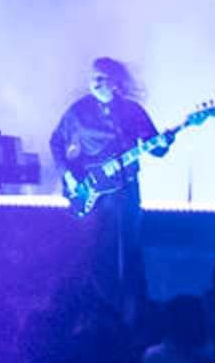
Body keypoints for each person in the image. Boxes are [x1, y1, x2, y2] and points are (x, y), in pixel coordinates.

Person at [49, 57, 164, 302]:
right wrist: (68, 176)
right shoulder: (78, 111)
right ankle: (96, 303)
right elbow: (56, 142)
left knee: (130, 247)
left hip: (127, 187)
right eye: (93, 77)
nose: (95, 82)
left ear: (115, 82)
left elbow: (156, 148)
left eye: (101, 78)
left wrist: (165, 141)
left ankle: (134, 304)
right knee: (98, 249)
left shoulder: (132, 111)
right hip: (92, 192)